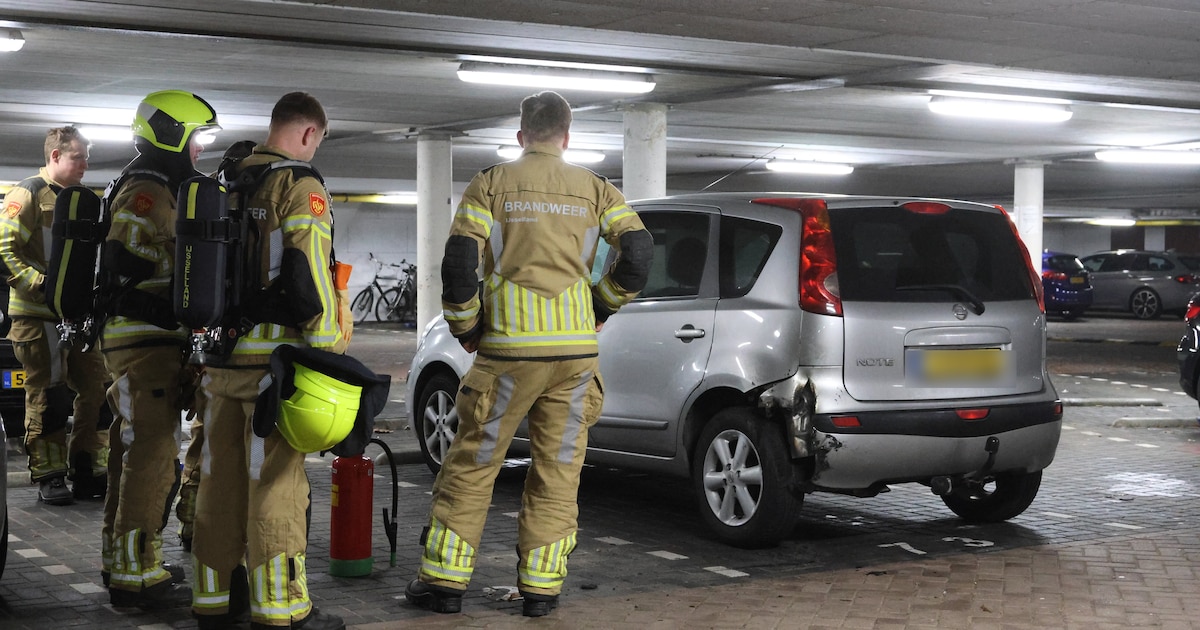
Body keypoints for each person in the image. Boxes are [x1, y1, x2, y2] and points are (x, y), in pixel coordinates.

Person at [404, 90, 652, 617]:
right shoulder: (597, 189)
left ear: (521, 136)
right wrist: (599, 306)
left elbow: (458, 260)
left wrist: (465, 326)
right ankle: (541, 591)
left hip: (508, 356)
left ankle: (444, 585)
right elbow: (639, 253)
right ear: (567, 137)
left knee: (474, 465)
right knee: (558, 470)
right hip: (575, 359)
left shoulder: (491, 184)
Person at [190, 91, 348, 630]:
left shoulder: (223, 183)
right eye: (319, 140)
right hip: (271, 371)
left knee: (219, 481)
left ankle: (213, 599)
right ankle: (280, 606)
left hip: (219, 363)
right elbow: (308, 277)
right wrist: (329, 350)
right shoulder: (298, 185)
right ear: (308, 134)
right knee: (276, 484)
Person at [100, 90, 219, 609]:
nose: (199, 149)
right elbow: (121, 262)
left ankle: (121, 556)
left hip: (144, 341)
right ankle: (135, 569)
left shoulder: (151, 183)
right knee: (152, 454)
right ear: (173, 135)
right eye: (196, 138)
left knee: (131, 452)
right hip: (143, 341)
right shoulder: (147, 190)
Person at [0, 126, 110, 505]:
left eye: (85, 156)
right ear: (55, 157)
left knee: (99, 388)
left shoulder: (83, 200)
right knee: (50, 395)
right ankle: (49, 475)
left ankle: (88, 468)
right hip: (37, 316)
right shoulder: (28, 192)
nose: (86, 163)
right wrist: (42, 284)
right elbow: (4, 248)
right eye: (78, 156)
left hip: (78, 317)